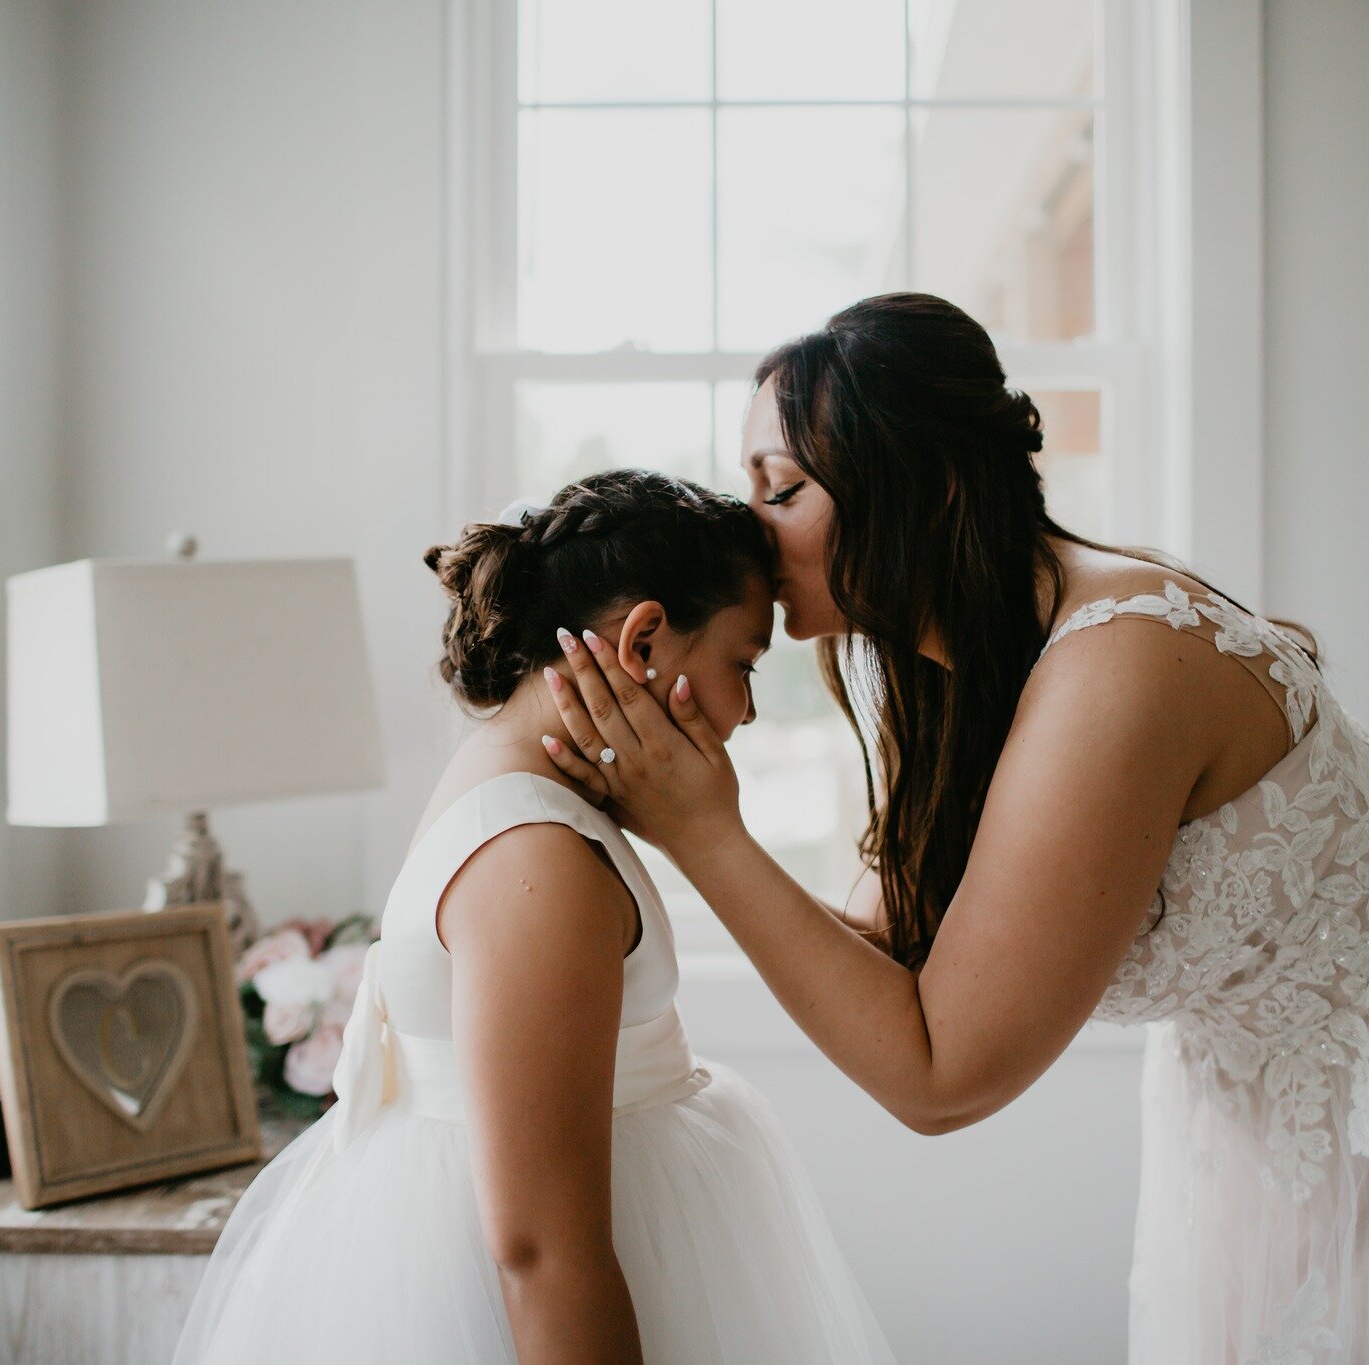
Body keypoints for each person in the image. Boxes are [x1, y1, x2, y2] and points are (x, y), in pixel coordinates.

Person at [539, 294, 1369, 1361]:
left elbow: (938, 1072)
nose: (754, 532)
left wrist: (705, 836)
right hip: (1263, 1088)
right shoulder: (952, 672)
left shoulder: (1113, 670)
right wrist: (671, 803)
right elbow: (890, 951)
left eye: (784, 489)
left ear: (931, 483)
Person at [173, 470, 894, 1364]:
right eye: (742, 664)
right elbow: (543, 1252)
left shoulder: (516, 783)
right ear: (645, 641)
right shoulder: (536, 858)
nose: (745, 709)